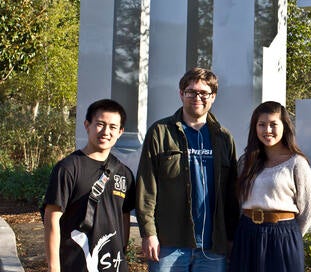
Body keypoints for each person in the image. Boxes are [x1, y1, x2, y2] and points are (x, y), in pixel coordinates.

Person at [136, 67, 239, 271]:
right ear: (181, 94)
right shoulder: (160, 132)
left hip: (213, 246)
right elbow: (146, 187)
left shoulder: (224, 137)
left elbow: (231, 194)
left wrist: (231, 237)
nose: (197, 97)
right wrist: (149, 233)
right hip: (169, 244)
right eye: (191, 91)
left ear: (213, 97)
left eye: (204, 93)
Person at [42, 99, 135, 272]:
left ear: (120, 131)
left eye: (113, 127)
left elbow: (124, 215)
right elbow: (51, 219)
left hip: (113, 265)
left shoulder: (124, 173)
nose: (106, 132)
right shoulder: (68, 168)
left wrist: (122, 253)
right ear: (87, 125)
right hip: (75, 264)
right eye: (100, 124)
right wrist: (54, 268)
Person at [230, 101, 311, 272]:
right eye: (261, 125)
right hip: (247, 234)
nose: (267, 130)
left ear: (284, 127)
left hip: (283, 236)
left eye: (273, 124)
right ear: (255, 128)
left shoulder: (297, 163)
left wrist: (290, 235)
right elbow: (239, 201)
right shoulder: (245, 162)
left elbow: (309, 208)